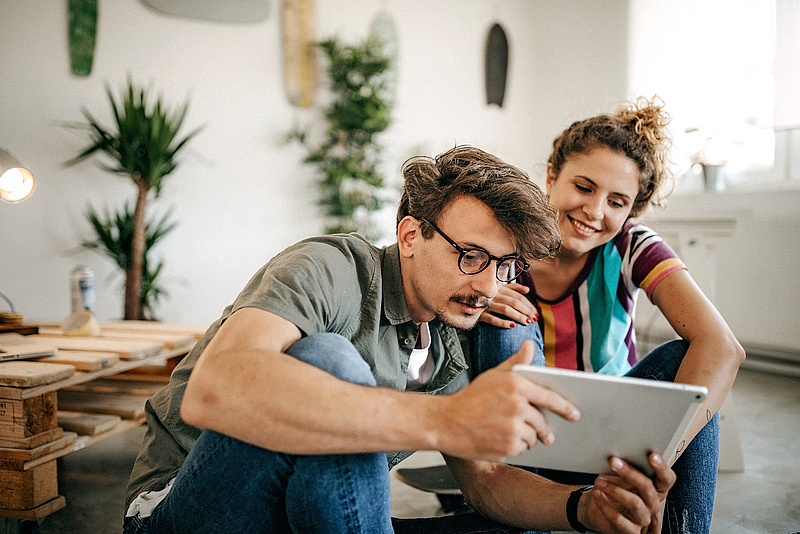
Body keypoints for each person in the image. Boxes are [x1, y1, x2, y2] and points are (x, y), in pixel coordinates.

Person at [123, 145, 677, 534]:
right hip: (183, 510)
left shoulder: (452, 332)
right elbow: (212, 389)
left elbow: (484, 485)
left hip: (309, 515)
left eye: (505, 266)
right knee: (328, 359)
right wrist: (448, 419)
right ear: (411, 235)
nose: (487, 285)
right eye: (471, 256)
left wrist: (584, 509)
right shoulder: (329, 269)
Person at [474, 98, 746, 533]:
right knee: (509, 312)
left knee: (686, 363)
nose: (595, 212)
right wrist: (480, 296)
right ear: (551, 176)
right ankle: (526, 516)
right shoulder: (506, 244)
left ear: (631, 212)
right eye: (583, 188)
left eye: (617, 202)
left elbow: (723, 347)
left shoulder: (632, 246)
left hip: (616, 444)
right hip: (528, 448)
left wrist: (657, 465)